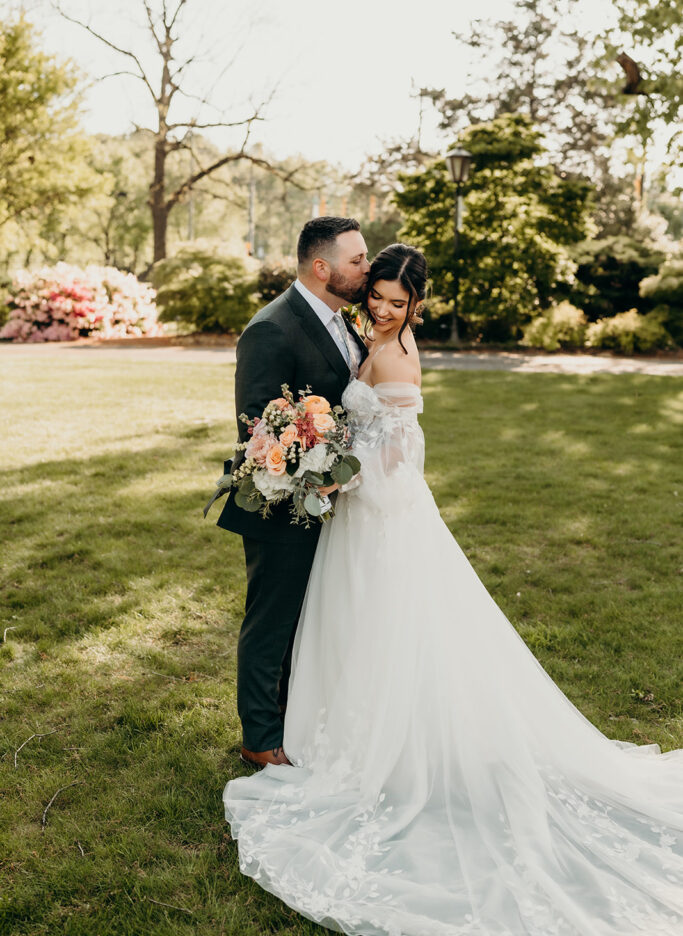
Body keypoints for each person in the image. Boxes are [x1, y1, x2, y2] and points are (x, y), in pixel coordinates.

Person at [223, 243, 683, 936]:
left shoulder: (392, 353)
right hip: (353, 514)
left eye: (394, 302)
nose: (379, 307)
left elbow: (403, 450)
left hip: (376, 516)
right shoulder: (365, 335)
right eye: (374, 294)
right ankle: (313, 724)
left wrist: (343, 477)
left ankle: (378, 742)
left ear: (414, 306)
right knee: (348, 625)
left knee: (379, 625)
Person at [217, 216, 369, 768]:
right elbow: (257, 425)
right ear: (322, 267)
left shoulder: (342, 320)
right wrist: (314, 460)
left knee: (310, 619)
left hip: (326, 499)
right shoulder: (271, 328)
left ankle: (296, 718)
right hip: (280, 504)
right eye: (357, 260)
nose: (366, 268)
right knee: (273, 621)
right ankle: (260, 738)